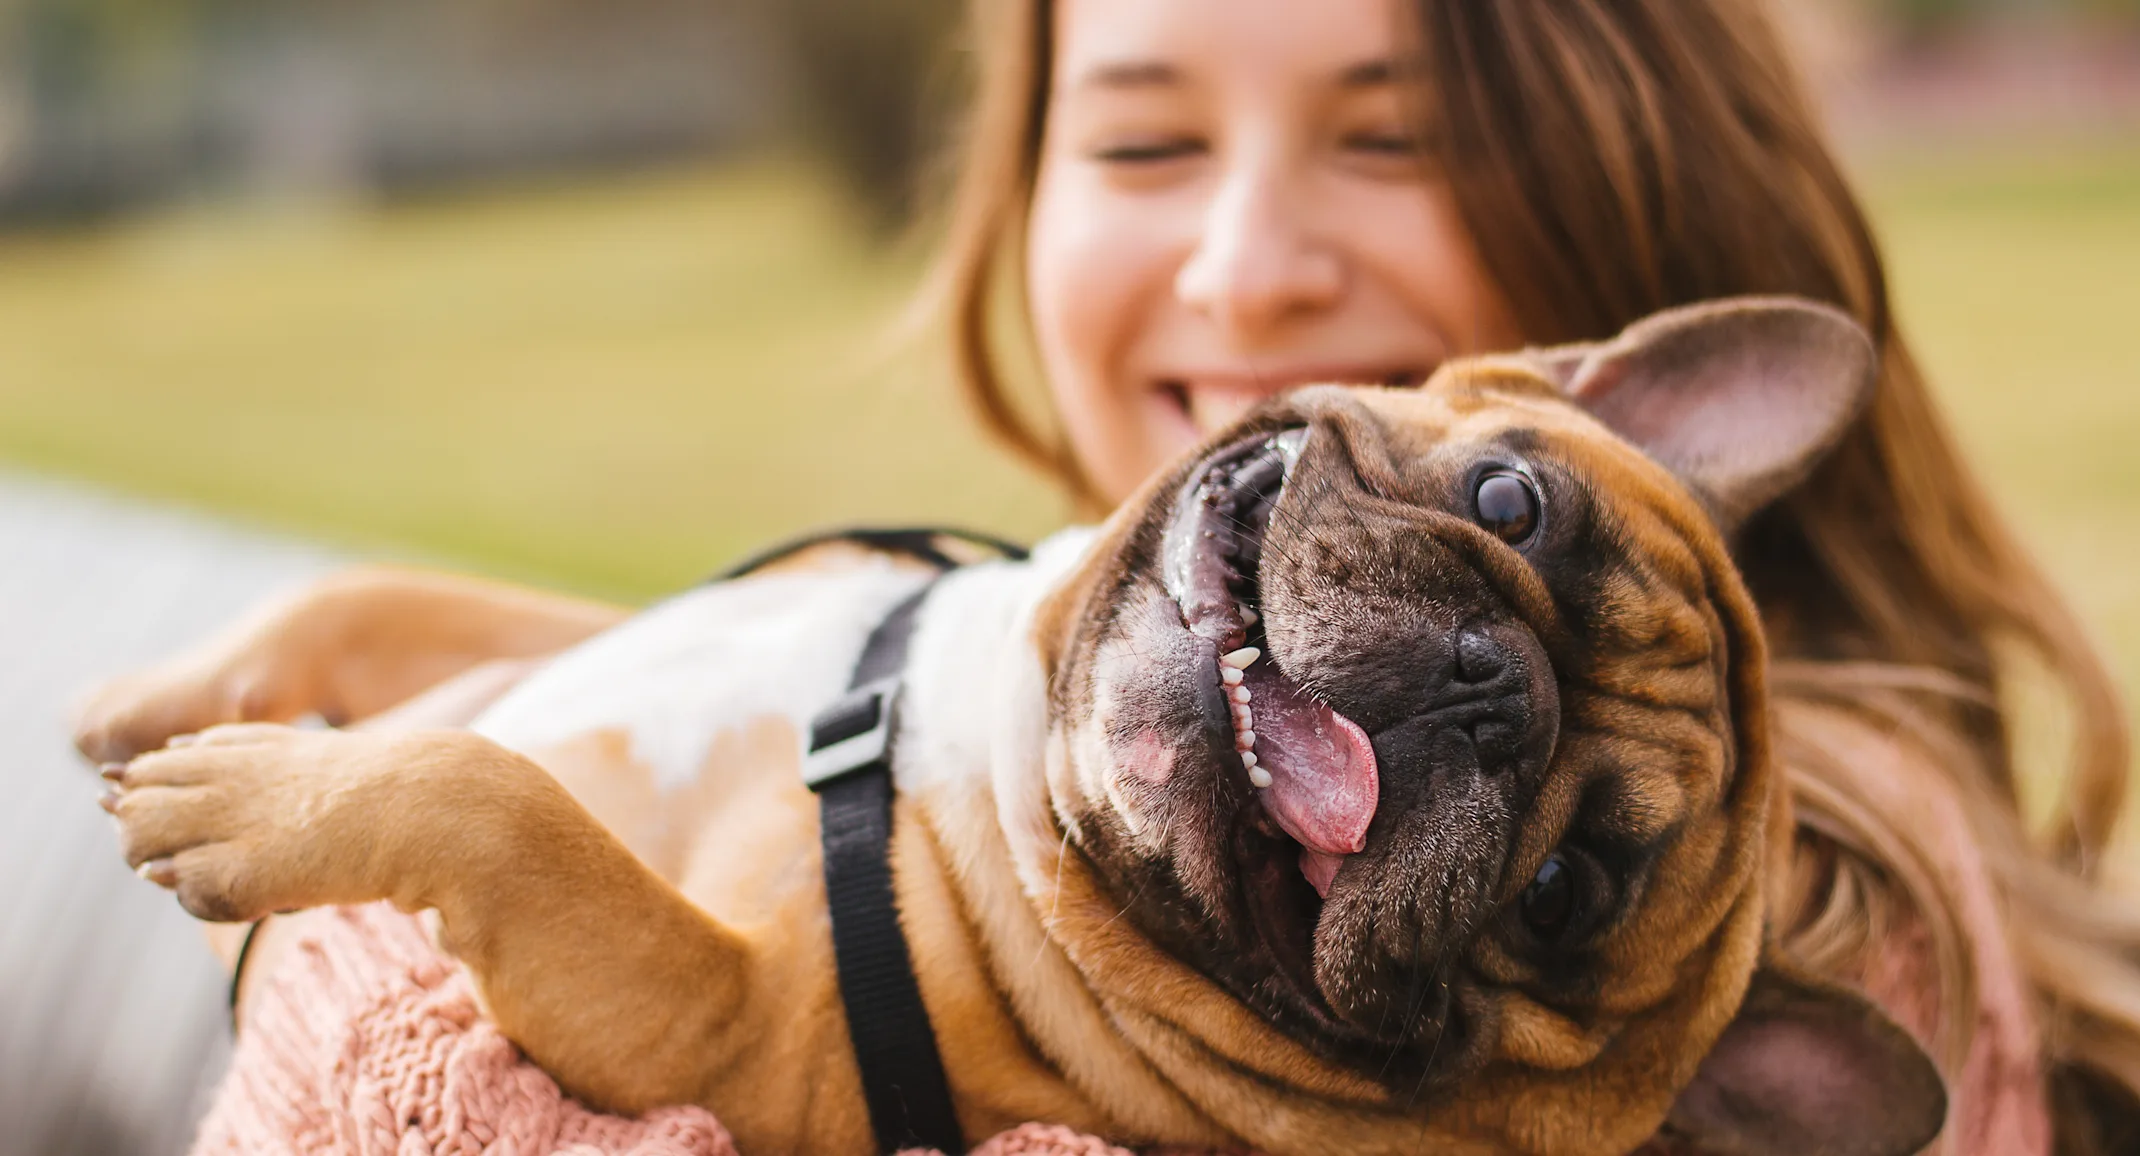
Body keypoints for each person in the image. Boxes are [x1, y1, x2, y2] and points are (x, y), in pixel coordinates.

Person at [153, 0, 2140, 1151]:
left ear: (1623, 207)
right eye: (1140, 145)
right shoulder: (1074, 669)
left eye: (1388, 142)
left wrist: (327, 929)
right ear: (1006, 198)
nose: (1242, 264)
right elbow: (759, 717)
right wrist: (433, 652)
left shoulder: (1824, 895)